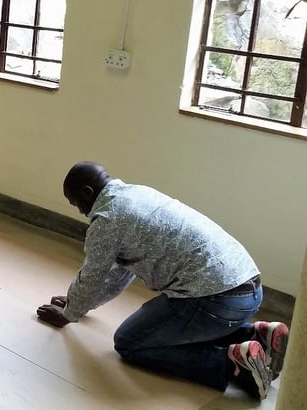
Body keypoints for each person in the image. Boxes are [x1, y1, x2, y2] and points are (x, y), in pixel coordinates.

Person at [37, 161, 290, 400]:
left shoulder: (106, 221)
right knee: (167, 325)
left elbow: (93, 275)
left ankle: (232, 364)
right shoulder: (138, 194)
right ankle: (258, 335)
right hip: (249, 290)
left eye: (75, 203)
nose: (80, 211)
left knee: (130, 342)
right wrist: (78, 305)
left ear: (87, 191)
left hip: (214, 301)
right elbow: (117, 274)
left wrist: (68, 314)